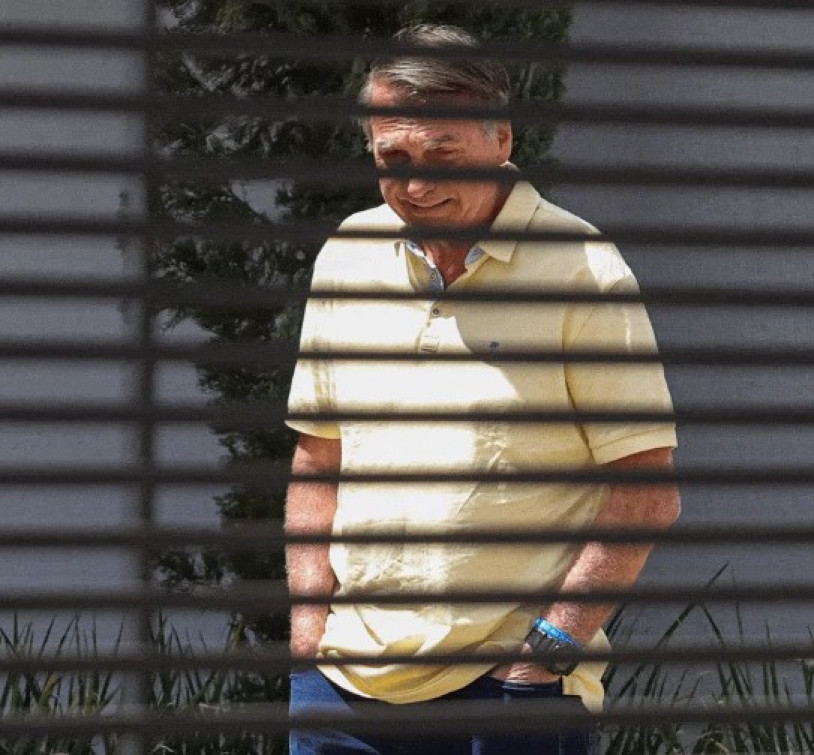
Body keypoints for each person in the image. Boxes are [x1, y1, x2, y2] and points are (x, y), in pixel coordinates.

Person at [284, 23, 680, 755]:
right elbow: (318, 458)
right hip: (340, 690)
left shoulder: (583, 270)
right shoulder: (347, 255)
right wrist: (310, 632)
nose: (417, 185)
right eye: (393, 159)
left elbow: (646, 491)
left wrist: (546, 654)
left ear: (501, 139)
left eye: (444, 157)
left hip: (508, 692)